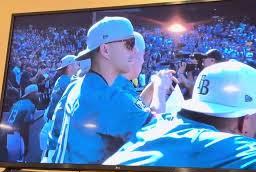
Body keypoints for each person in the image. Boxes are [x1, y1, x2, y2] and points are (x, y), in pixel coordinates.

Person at [104, 60, 256, 170]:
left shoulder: (159, 123)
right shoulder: (238, 149)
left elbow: (143, 107)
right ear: (244, 122)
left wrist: (157, 87)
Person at [52, 17, 174, 164]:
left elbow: (130, 110)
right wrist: (160, 89)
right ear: (106, 50)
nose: (135, 51)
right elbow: (158, 133)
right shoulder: (109, 97)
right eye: (129, 44)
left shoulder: (79, 84)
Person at [123, 32, 178, 113]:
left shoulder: (121, 85)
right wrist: (161, 89)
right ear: (132, 56)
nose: (143, 61)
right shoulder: (118, 93)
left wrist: (154, 84)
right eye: (142, 56)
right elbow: (156, 121)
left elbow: (139, 106)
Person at [40, 55, 80, 162]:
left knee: (47, 161)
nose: (78, 67)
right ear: (70, 66)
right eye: (77, 64)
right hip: (53, 130)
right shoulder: (67, 81)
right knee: (49, 164)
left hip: (50, 127)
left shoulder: (62, 79)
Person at [4, 84, 40, 162]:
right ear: (31, 94)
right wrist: (26, 143)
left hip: (8, 135)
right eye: (36, 92)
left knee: (12, 161)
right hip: (17, 137)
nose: (38, 94)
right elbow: (24, 127)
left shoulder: (17, 103)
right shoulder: (30, 105)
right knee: (19, 162)